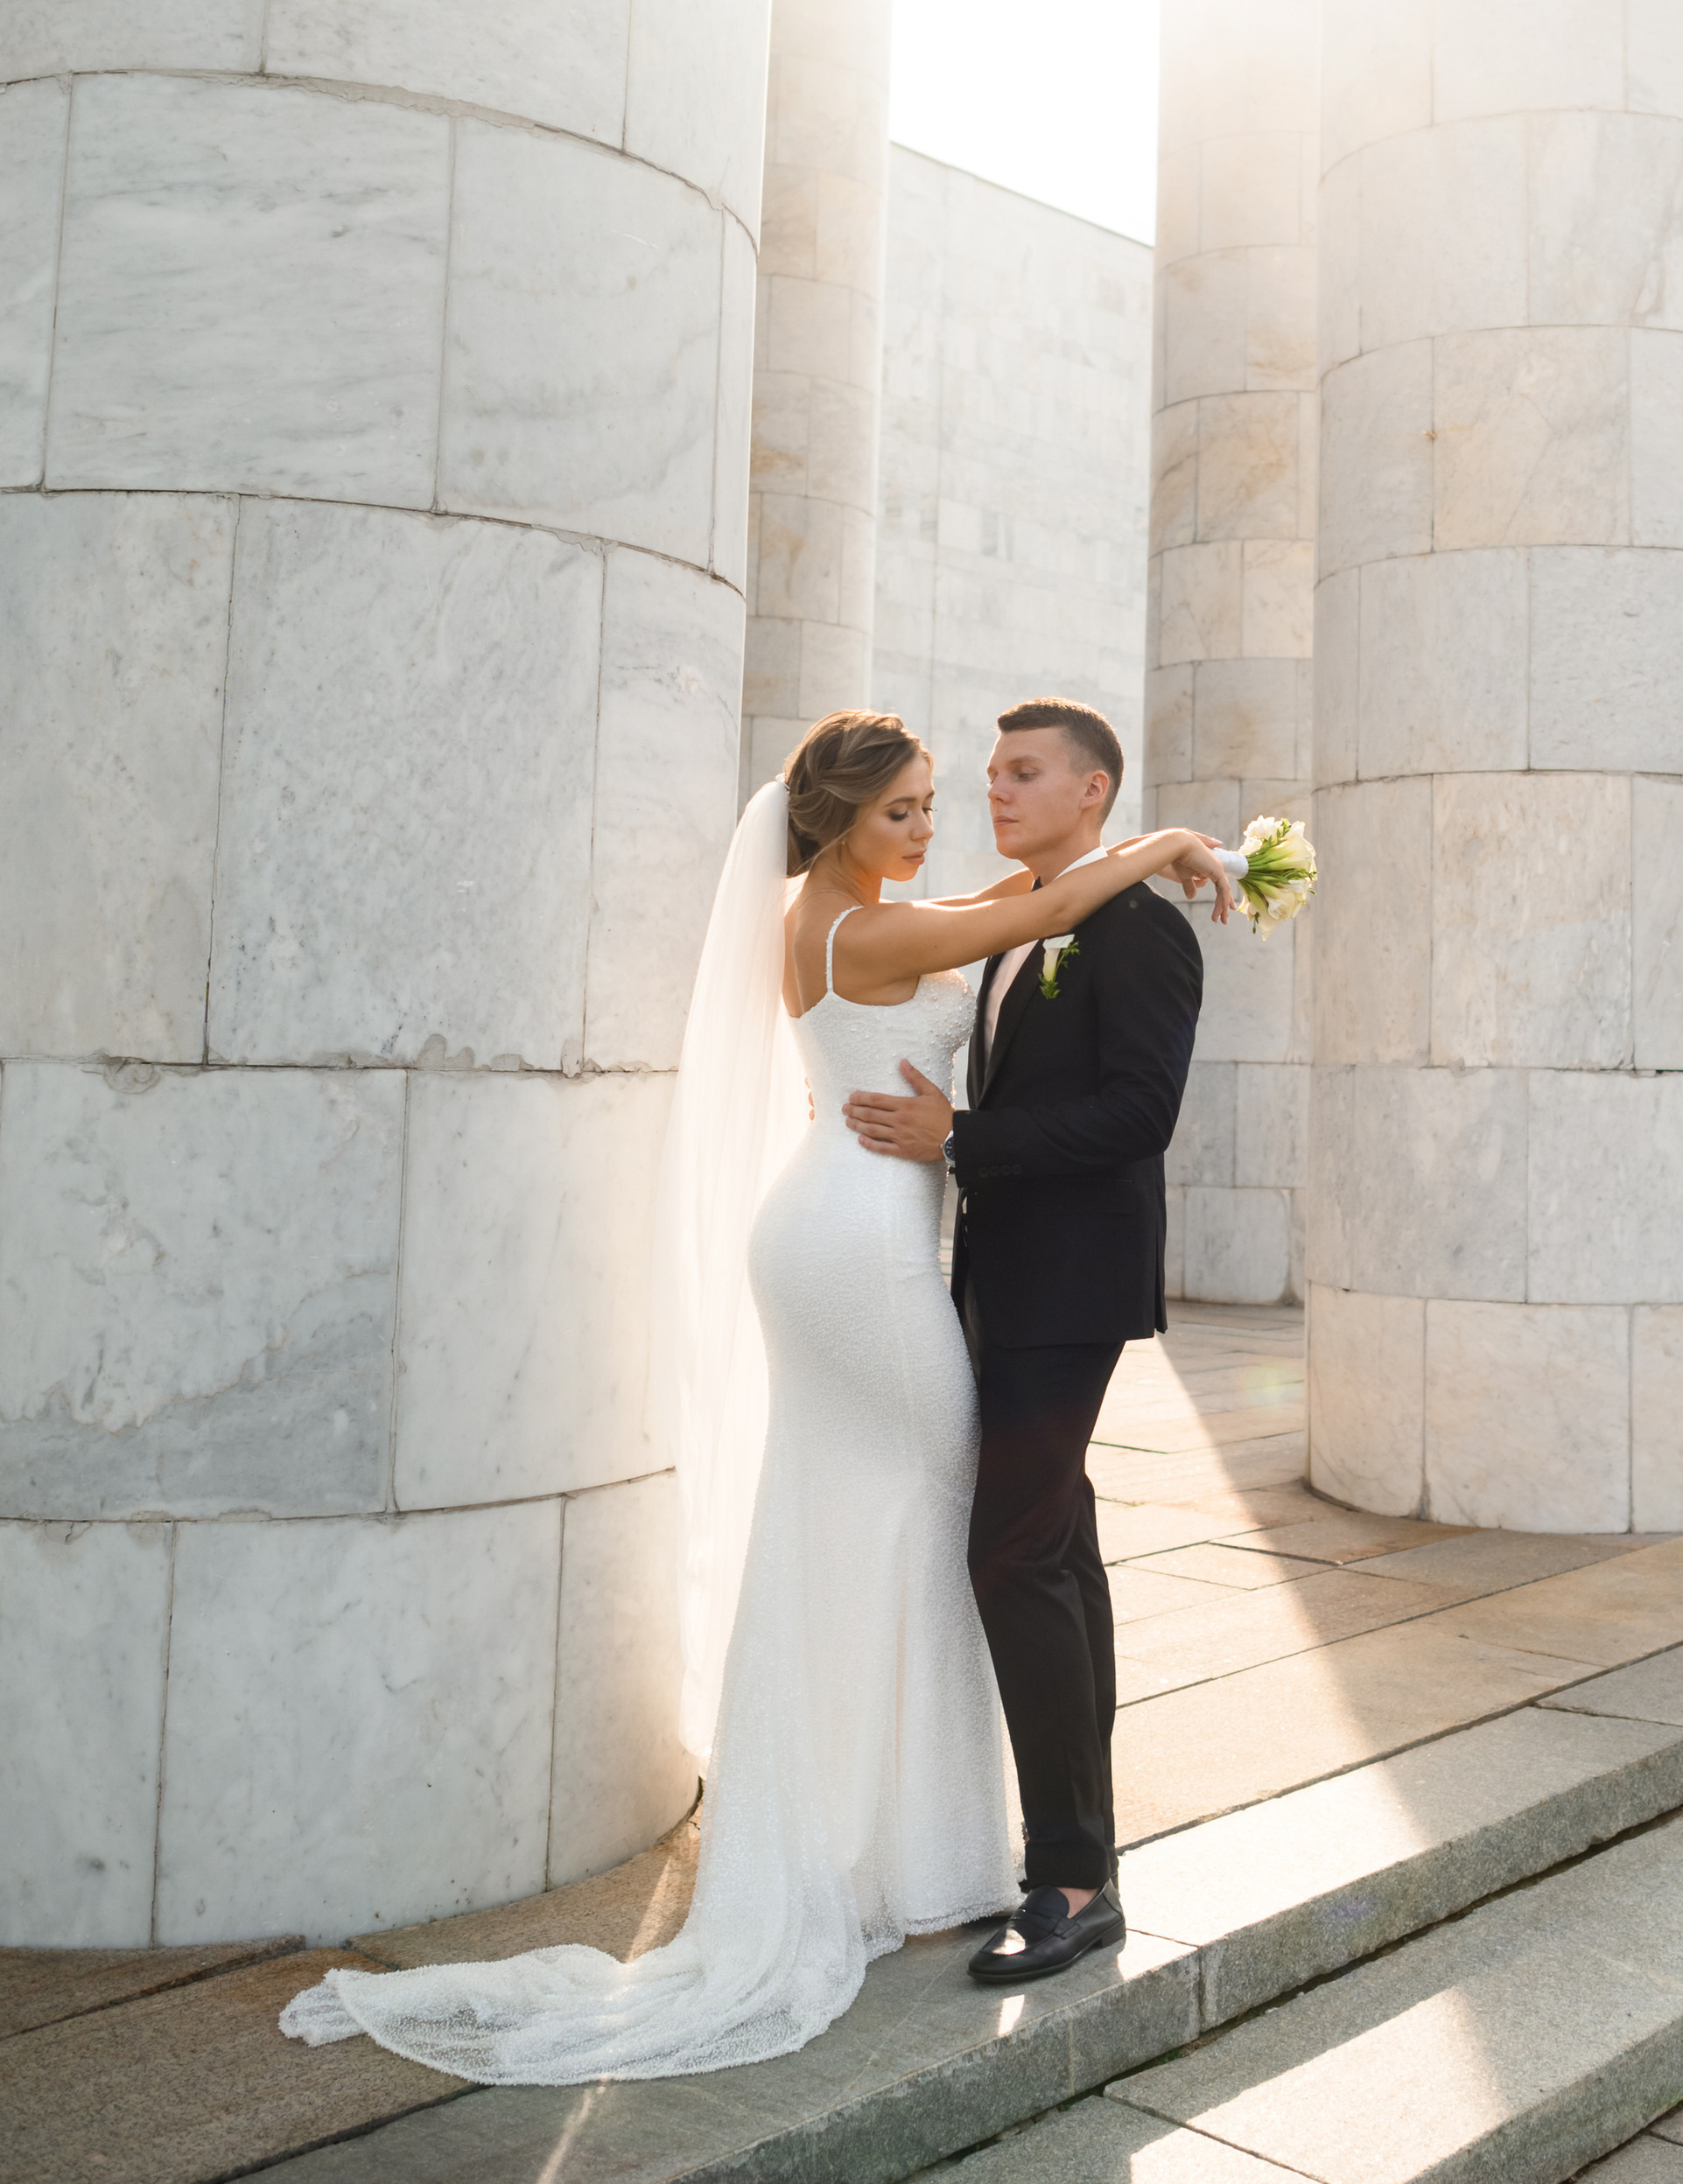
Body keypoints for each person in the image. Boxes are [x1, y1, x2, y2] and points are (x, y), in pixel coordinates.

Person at [279, 711, 1231, 2082]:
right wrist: (1173, 840)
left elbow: (1037, 923)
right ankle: (978, 1855)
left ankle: (942, 1844)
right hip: (860, 1250)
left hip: (848, 1234)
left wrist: (1137, 860)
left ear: (1085, 785)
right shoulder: (868, 929)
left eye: (950, 796)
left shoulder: (843, 912)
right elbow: (1041, 905)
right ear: (839, 823)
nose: (937, 822)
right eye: (906, 807)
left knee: (928, 1527)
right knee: (973, 1533)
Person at [843, 699, 1203, 1984]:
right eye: (991, 773)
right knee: (1054, 1548)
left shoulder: (1140, 930)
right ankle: (1085, 1851)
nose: (996, 790)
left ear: (1092, 790)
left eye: (1024, 772)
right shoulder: (1024, 923)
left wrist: (962, 1138)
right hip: (995, 1276)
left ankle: (1069, 1881)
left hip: (1072, 1285)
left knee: (1010, 1552)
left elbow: (1140, 1115)